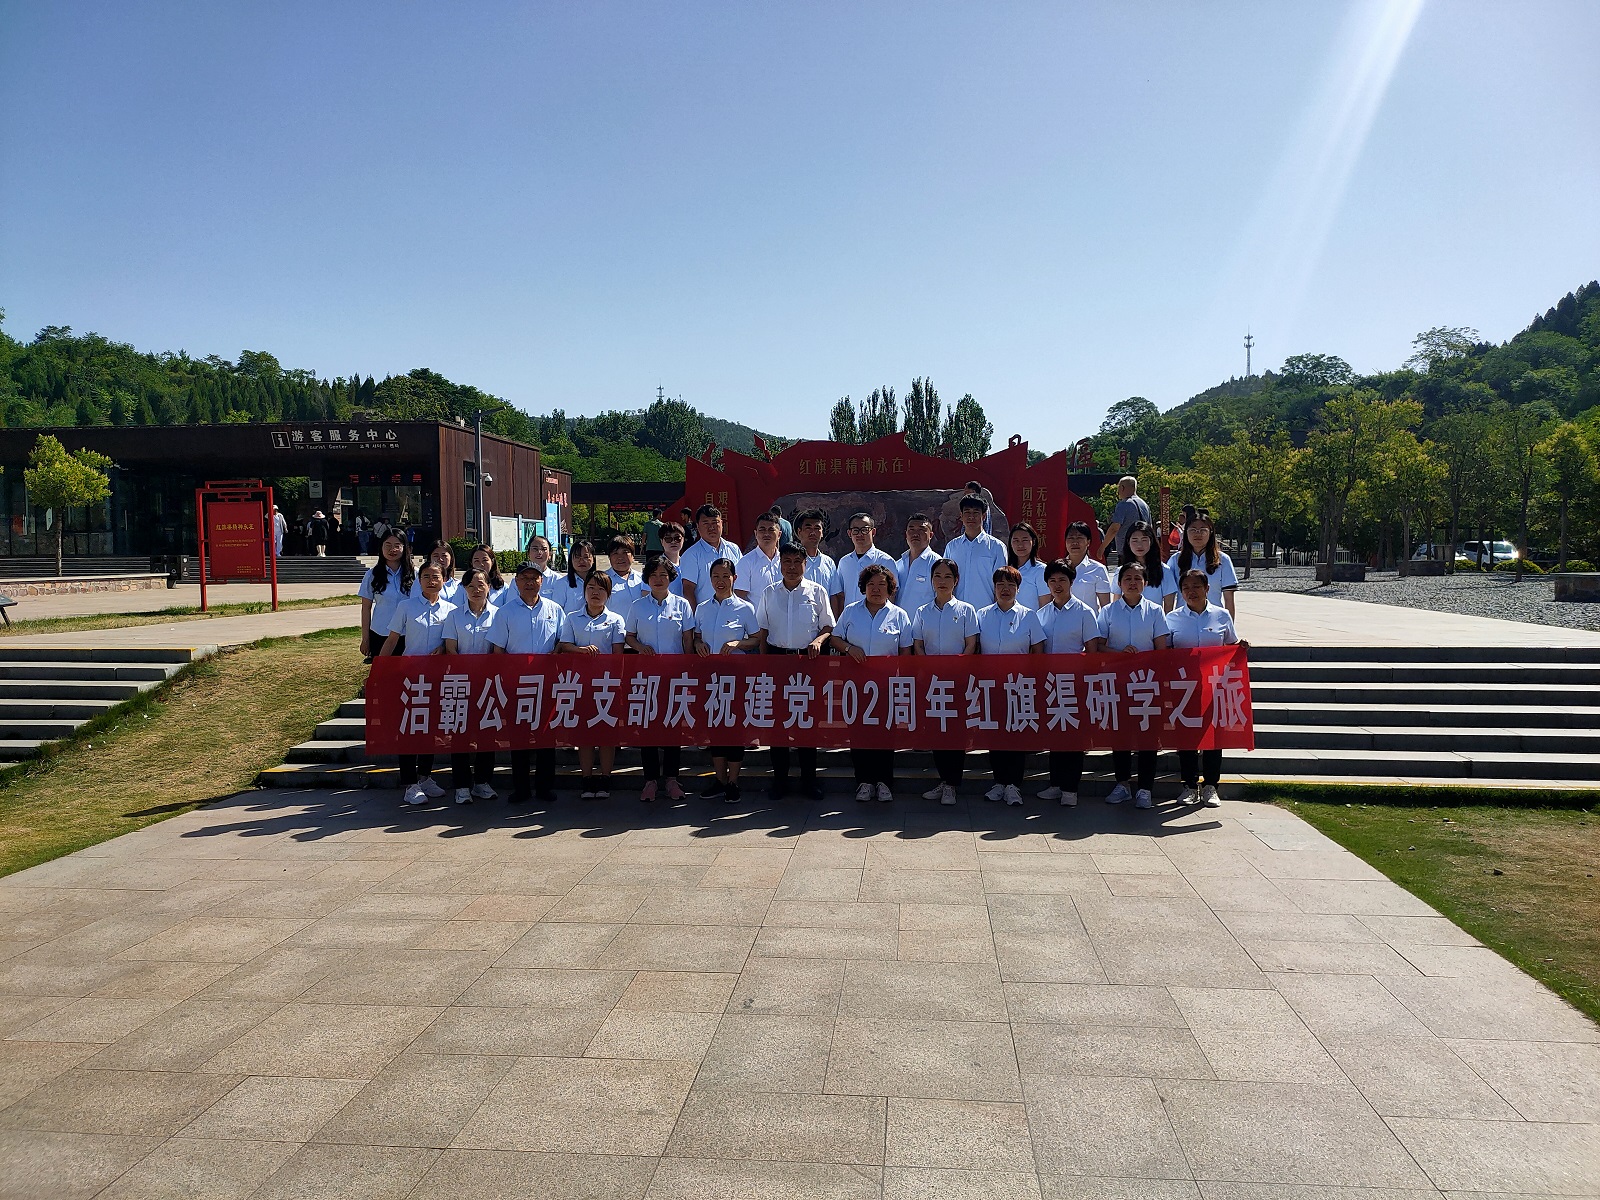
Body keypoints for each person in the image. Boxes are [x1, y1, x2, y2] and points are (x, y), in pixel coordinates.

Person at [755, 541, 834, 799]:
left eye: (797, 562)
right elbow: (762, 630)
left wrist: (818, 641)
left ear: (805, 564)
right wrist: (764, 664)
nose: (791, 567)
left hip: (807, 662)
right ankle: (780, 781)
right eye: (786, 561)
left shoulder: (817, 591)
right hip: (777, 661)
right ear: (780, 564)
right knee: (778, 723)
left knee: (806, 722)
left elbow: (828, 626)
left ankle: (809, 781)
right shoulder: (769, 592)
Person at [829, 563, 914, 802]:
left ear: (890, 588)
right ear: (863, 587)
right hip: (856, 685)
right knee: (859, 733)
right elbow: (835, 638)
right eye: (871, 584)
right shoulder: (851, 611)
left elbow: (905, 651)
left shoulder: (899, 615)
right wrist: (849, 648)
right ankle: (864, 781)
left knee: (886, 733)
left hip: (886, 686)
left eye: (881, 585)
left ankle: (884, 782)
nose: (876, 589)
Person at [487, 563, 567, 803]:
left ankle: (544, 787)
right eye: (524, 578)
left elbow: (563, 642)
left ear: (542, 581)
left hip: (547, 684)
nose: (530, 582)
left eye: (535, 578)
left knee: (546, 736)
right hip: (517, 684)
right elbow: (498, 650)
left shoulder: (555, 609)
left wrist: (557, 653)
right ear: (516, 582)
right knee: (518, 737)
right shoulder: (505, 612)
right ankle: (521, 788)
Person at [1096, 561, 1171, 809]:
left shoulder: (1155, 611)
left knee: (1148, 737)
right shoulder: (1108, 611)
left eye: (1137, 578)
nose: (1132, 583)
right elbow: (1099, 646)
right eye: (1127, 578)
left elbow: (1161, 649)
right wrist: (1120, 654)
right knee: (1121, 735)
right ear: (1119, 584)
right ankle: (1122, 784)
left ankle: (1145, 788)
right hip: (1117, 682)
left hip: (1147, 684)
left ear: (1145, 583)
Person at [380, 561, 455, 806]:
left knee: (430, 728)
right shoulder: (406, 606)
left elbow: (452, 642)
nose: (431, 581)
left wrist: (442, 648)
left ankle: (425, 777)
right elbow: (392, 639)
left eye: (436, 577)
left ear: (444, 580)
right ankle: (409, 783)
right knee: (409, 729)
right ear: (419, 580)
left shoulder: (451, 610)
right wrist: (380, 668)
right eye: (426, 577)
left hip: (437, 679)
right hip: (410, 678)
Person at [1167, 567, 1243, 808]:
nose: (1191, 592)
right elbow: (1165, 652)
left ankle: (1211, 786)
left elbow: (1230, 646)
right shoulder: (1172, 618)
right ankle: (1189, 786)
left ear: (1207, 589)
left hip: (1214, 686)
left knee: (1213, 737)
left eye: (1196, 587)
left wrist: (1241, 648)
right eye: (1186, 588)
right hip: (1185, 687)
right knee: (1187, 737)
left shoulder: (1221, 615)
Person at [1034, 560, 1106, 806]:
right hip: (1050, 684)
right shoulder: (1041, 614)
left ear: (1071, 582)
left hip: (1075, 684)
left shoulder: (1085, 612)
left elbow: (1092, 651)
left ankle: (1070, 789)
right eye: (1052, 581)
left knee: (1074, 737)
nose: (1057, 585)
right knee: (1055, 735)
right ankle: (1055, 784)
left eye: (1062, 580)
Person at [692, 558, 762, 804]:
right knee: (715, 727)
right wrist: (698, 644)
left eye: (725, 576)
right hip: (709, 676)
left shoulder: (745, 608)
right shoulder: (702, 608)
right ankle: (720, 780)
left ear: (734, 578)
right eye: (716, 577)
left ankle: (733, 781)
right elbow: (696, 636)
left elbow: (756, 638)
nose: (720, 581)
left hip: (735, 676)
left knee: (734, 727)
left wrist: (738, 643)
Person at [625, 557, 694, 802]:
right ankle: (651, 780)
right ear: (647, 578)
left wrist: (688, 670)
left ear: (671, 578)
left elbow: (687, 640)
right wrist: (639, 647)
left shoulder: (682, 605)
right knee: (648, 729)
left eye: (663, 575)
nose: (658, 579)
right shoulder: (637, 606)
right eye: (653, 574)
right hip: (646, 677)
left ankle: (672, 779)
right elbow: (629, 636)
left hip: (674, 676)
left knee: (673, 727)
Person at [976, 566, 1047, 805]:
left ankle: (1014, 784)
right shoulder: (982, 615)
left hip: (1019, 686)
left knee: (1016, 736)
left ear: (1018, 589)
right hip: (991, 686)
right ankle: (999, 782)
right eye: (1000, 585)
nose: (1005, 589)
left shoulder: (1029, 616)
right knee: (995, 735)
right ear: (994, 588)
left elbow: (1038, 651)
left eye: (1010, 585)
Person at [912, 558, 979, 805]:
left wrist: (957, 668)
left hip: (957, 681)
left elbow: (971, 644)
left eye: (948, 576)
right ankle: (944, 779)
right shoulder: (922, 612)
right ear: (931, 581)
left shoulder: (966, 610)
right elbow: (918, 645)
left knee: (955, 733)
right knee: (936, 731)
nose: (942, 581)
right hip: (932, 682)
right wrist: (929, 669)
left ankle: (952, 784)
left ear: (956, 581)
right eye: (938, 576)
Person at [558, 570, 627, 797]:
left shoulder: (616, 620)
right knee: (584, 735)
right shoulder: (572, 618)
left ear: (608, 594)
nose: (595, 593)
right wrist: (581, 651)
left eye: (600, 589)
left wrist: (617, 684)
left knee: (606, 735)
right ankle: (586, 779)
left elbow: (618, 654)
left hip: (606, 685)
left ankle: (605, 778)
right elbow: (565, 645)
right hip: (580, 685)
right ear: (584, 591)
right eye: (591, 588)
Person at [440, 567, 501, 806]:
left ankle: (482, 782)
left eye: (481, 585)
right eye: (471, 586)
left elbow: (498, 650)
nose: (476, 590)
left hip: (488, 684)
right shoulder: (454, 616)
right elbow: (450, 648)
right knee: (460, 735)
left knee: (487, 733)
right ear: (464, 589)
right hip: (460, 683)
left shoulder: (499, 615)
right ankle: (462, 786)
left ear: (489, 587)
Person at [1162, 509, 1238, 618]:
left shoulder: (1223, 560)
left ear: (1211, 532)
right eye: (1193, 530)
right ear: (1186, 532)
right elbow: (1169, 597)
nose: (1198, 534)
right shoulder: (1175, 560)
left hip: (1213, 620)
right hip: (1182, 620)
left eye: (1203, 530)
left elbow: (1229, 599)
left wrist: (1228, 625)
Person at [359, 531, 414, 662]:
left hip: (408, 635)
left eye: (397, 545)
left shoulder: (415, 574)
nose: (392, 550)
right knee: (383, 672)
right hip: (380, 633)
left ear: (405, 548)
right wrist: (365, 639)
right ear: (381, 547)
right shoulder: (372, 574)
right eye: (388, 545)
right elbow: (366, 608)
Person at [947, 495, 1008, 609]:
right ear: (961, 516)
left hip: (985, 611)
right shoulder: (952, 547)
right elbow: (946, 579)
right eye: (967, 512)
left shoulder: (996, 547)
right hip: (956, 611)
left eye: (976, 512)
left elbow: (1001, 582)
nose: (971, 516)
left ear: (983, 516)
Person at [830, 512, 896, 615]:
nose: (860, 534)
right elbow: (840, 595)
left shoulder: (886, 561)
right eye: (855, 530)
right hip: (849, 619)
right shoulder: (844, 562)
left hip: (876, 619)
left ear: (873, 532)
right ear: (849, 533)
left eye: (865, 530)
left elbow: (892, 594)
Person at [678, 504, 739, 609]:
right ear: (698, 526)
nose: (711, 527)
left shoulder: (734, 549)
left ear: (721, 523)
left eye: (715, 522)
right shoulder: (691, 555)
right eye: (706, 523)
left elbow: (740, 583)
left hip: (732, 612)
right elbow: (688, 590)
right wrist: (696, 616)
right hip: (706, 614)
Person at [896, 513, 940, 618]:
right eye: (911, 530)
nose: (915, 534)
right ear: (906, 534)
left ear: (930, 535)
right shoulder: (898, 564)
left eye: (921, 530)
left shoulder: (936, 563)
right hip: (898, 624)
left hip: (925, 624)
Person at [1121, 521, 1173, 607]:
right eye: (1135, 540)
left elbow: (1169, 606)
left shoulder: (1164, 571)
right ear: (1128, 542)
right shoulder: (1121, 571)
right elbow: (1116, 604)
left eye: (1144, 540)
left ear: (1151, 541)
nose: (1139, 545)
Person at [1062, 520, 1113, 608]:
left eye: (1079, 538)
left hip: (1088, 617)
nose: (1075, 542)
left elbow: (1106, 607)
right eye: (1071, 538)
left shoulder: (1098, 569)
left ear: (1088, 542)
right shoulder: (1057, 568)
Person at [736, 512, 784, 602]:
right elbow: (739, 598)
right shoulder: (746, 562)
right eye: (762, 530)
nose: (766, 534)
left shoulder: (785, 561)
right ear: (755, 533)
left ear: (779, 535)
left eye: (771, 530)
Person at [1104, 475, 1152, 557]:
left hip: (1126, 551)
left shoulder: (1123, 504)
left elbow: (1114, 528)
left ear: (1122, 488)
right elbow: (1150, 527)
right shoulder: (1144, 505)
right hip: (1144, 552)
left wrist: (1102, 547)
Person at [547, 539, 595, 615]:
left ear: (593, 559)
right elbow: (556, 612)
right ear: (571, 559)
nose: (581, 561)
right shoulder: (562, 583)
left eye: (586, 557)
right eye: (577, 557)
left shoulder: (600, 582)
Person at [794, 508, 837, 594]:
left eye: (817, 528)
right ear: (799, 532)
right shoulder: (791, 562)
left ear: (822, 533)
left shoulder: (829, 563)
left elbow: (834, 594)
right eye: (808, 528)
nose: (813, 533)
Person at [1007, 521, 1049, 608]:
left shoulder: (1041, 570)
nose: (1020, 545)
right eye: (1016, 540)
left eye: (1025, 540)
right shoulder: (1006, 569)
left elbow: (1044, 606)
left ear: (1033, 541)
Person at [605, 536, 646, 618]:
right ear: (609, 557)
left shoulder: (643, 579)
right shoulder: (601, 580)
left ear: (633, 556)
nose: (620, 557)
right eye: (615, 553)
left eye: (625, 552)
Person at [657, 522, 687, 597]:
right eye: (668, 539)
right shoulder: (656, 566)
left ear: (683, 539)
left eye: (677, 538)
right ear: (661, 541)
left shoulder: (689, 563)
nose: (673, 542)